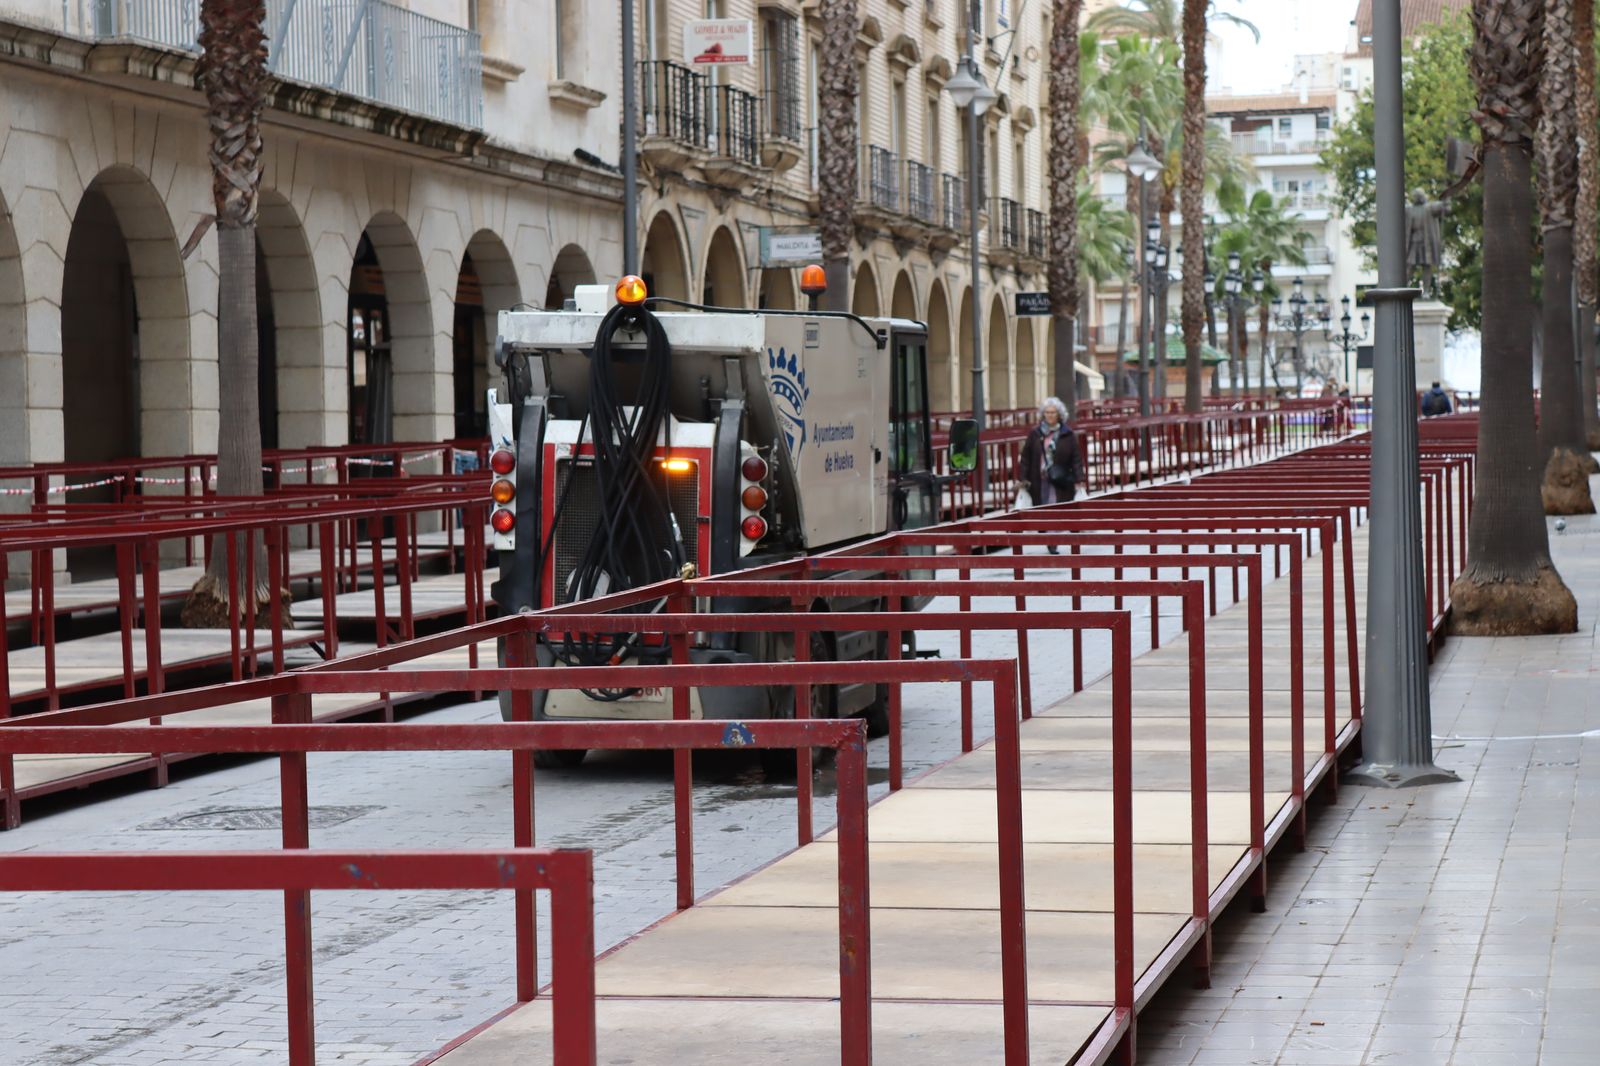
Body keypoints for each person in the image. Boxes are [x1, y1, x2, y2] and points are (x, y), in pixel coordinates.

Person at [1017, 397, 1083, 553]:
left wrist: (1079, 478)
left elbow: (1076, 458)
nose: (1050, 416)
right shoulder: (1035, 433)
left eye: (1053, 413)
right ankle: (1049, 537)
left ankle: (1052, 541)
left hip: (1059, 479)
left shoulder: (1068, 434)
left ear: (1059, 414)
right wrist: (1023, 477)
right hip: (1039, 479)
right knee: (1043, 508)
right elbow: (1025, 457)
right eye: (1047, 412)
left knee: (1055, 507)